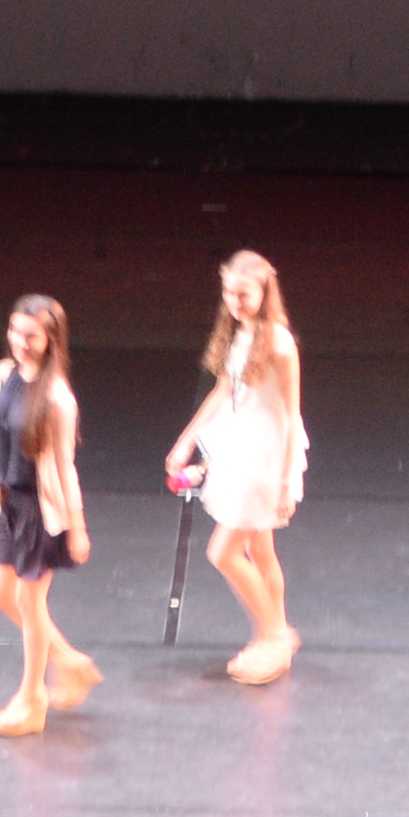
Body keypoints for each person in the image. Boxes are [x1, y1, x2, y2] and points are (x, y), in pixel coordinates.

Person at [161, 251, 309, 685]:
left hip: (264, 459)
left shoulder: (280, 344)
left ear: (264, 293)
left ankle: (275, 635)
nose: (234, 302)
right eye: (228, 293)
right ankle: (271, 635)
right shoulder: (238, 335)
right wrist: (186, 440)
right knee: (261, 551)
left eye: (243, 294)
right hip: (239, 448)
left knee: (223, 552)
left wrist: (286, 481)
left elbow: (290, 414)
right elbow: (223, 390)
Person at [0, 295, 98, 736]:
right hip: (8, 502)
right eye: (15, 332)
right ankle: (69, 662)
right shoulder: (4, 375)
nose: (20, 342)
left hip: (40, 509)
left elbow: (65, 467)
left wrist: (77, 528)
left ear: (50, 340)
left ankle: (32, 699)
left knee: (29, 602)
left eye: (31, 336)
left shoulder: (57, 398)